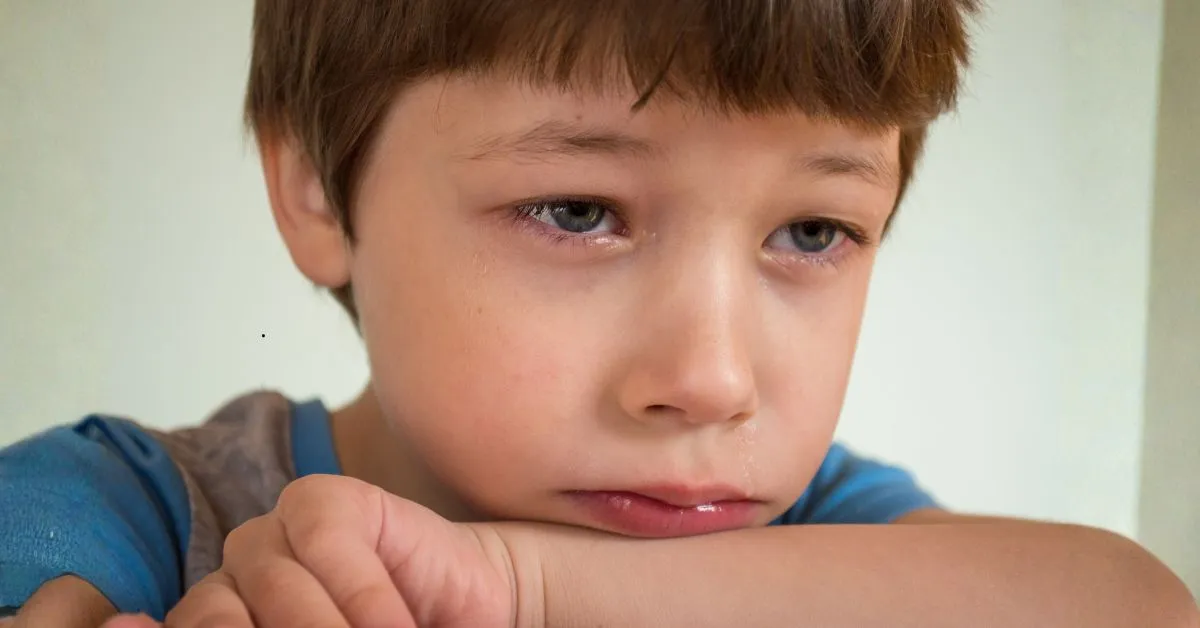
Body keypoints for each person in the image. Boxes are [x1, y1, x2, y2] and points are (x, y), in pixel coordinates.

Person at [4, 1, 1197, 626]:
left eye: (811, 232)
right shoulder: (133, 510)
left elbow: (1132, 611)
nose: (713, 378)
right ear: (317, 185)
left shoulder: (827, 535)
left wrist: (522, 591)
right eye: (579, 211)